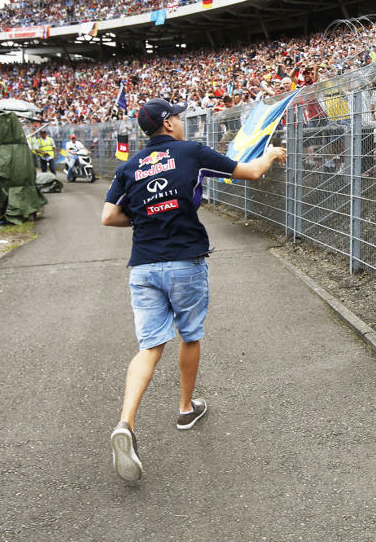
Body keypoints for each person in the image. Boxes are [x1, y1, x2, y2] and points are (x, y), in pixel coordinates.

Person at [101, 97, 286, 482]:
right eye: (178, 117)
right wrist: (269, 155)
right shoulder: (190, 152)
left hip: (143, 266)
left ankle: (126, 422)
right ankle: (186, 407)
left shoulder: (129, 166)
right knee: (189, 335)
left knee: (150, 346)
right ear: (168, 124)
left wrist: (144, 218)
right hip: (185, 262)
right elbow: (249, 173)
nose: (182, 123)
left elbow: (108, 216)